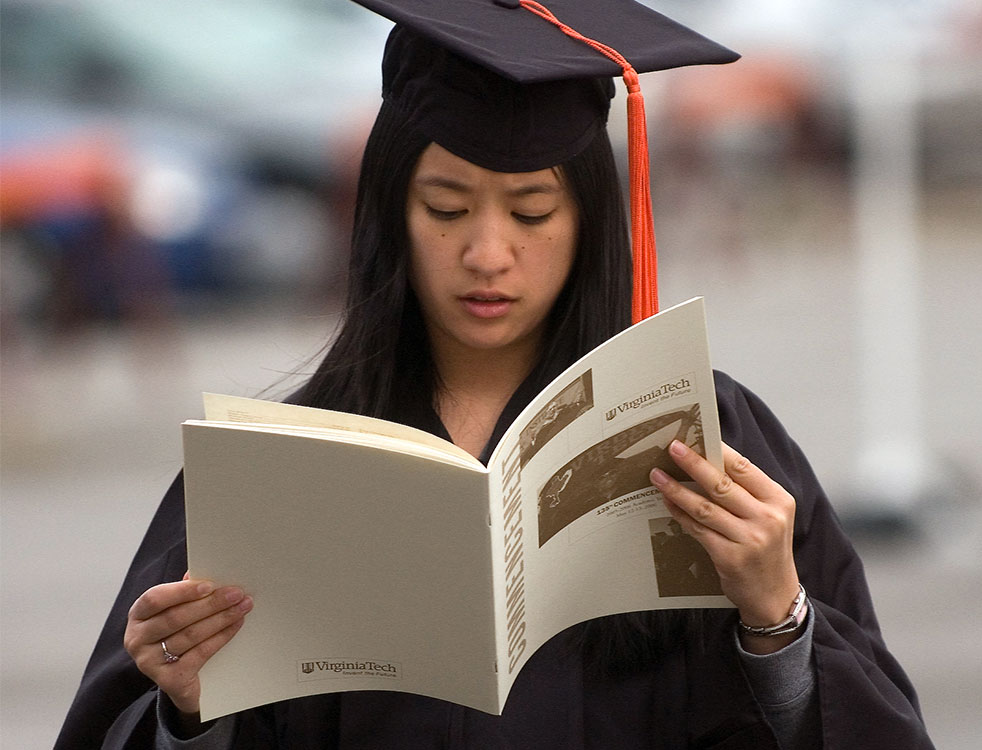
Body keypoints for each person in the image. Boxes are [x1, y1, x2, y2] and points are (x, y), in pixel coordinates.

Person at [56, 1, 934, 747]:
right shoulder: (281, 471)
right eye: (445, 208)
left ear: (590, 223)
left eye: (532, 210)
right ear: (389, 215)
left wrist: (779, 620)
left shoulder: (707, 440)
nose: (487, 254)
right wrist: (188, 709)